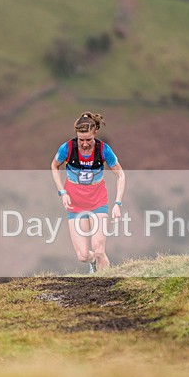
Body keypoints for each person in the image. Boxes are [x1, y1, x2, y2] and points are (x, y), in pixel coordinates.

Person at [51, 111, 125, 273]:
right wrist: (62, 192)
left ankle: (104, 282)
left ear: (95, 134)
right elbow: (54, 166)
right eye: (81, 140)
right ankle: (93, 263)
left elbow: (120, 174)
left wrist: (117, 203)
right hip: (75, 205)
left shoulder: (104, 150)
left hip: (98, 202)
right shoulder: (67, 148)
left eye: (89, 140)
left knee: (99, 250)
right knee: (83, 256)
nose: (84, 144)